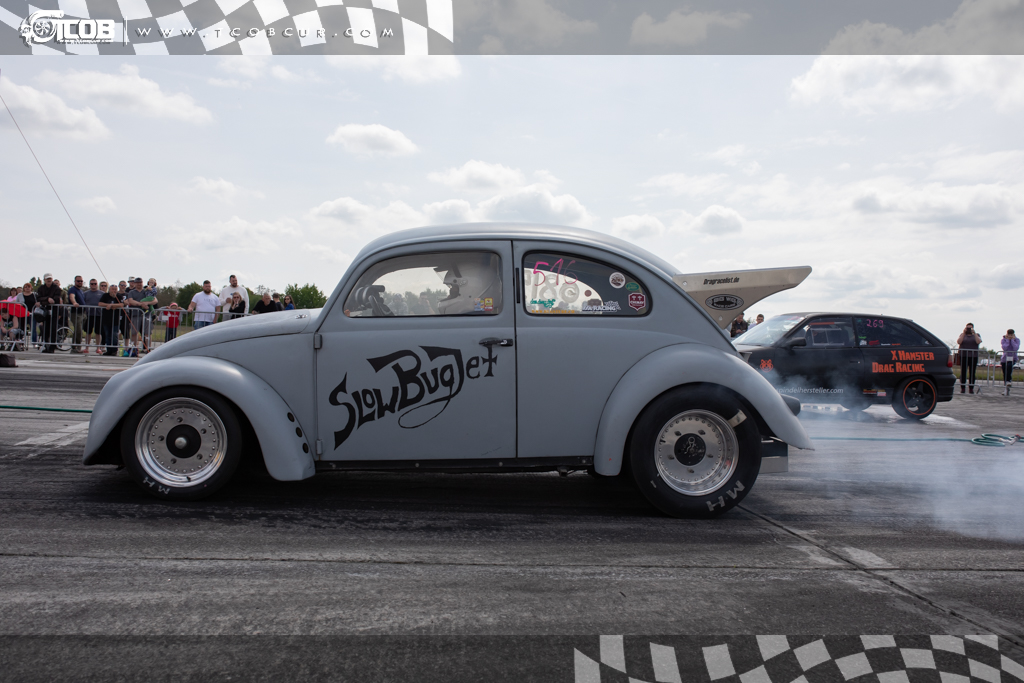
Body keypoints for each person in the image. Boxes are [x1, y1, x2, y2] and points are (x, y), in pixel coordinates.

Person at [36, 273, 62, 353]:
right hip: (44, 311)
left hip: (54, 311)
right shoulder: (41, 288)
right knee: (45, 329)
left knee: (53, 329)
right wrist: (47, 299)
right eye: (47, 279)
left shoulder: (56, 288)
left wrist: (45, 300)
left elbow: (56, 299)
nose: (49, 280)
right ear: (44, 280)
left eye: (50, 278)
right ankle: (46, 346)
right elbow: (38, 298)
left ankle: (52, 347)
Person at [98, 284, 126, 356]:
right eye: (112, 289)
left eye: (115, 290)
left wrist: (111, 305)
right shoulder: (105, 295)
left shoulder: (119, 296)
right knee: (107, 335)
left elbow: (122, 304)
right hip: (106, 319)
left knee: (114, 335)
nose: (114, 291)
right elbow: (100, 303)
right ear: (109, 290)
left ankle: (114, 350)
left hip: (116, 319)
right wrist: (107, 305)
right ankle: (109, 350)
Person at [123, 277, 148, 356]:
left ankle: (147, 348)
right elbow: (131, 301)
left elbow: (154, 300)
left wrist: (147, 304)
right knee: (134, 332)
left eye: (140, 282)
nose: (139, 284)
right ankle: (134, 349)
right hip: (135, 314)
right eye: (137, 283)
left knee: (146, 333)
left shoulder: (146, 291)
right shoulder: (131, 292)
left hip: (146, 315)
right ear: (135, 284)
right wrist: (141, 304)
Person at [957, 322, 982, 394]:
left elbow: (978, 341)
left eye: (970, 328)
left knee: (972, 372)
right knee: (963, 372)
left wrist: (974, 333)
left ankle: (971, 388)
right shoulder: (962, 335)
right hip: (964, 355)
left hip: (973, 356)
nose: (969, 329)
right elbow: (959, 342)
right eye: (968, 328)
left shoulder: (977, 335)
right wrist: (964, 333)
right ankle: (962, 387)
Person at [82, 278, 105, 354]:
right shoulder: (86, 293)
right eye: (92, 284)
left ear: (97, 284)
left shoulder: (102, 293)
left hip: (99, 315)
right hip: (89, 315)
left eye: (95, 284)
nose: (93, 285)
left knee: (98, 332)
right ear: (89, 285)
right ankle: (87, 348)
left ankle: (98, 348)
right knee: (88, 332)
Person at [67, 275, 86, 353]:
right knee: (78, 330)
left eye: (81, 281)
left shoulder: (81, 291)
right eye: (78, 281)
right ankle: (76, 347)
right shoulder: (72, 289)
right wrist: (74, 303)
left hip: (82, 313)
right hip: (75, 313)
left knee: (79, 330)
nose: (80, 282)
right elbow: (72, 297)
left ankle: (75, 346)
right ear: (75, 281)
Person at [1001, 329, 1019, 396]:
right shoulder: (1003, 340)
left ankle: (1009, 381)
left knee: (1009, 367)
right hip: (1004, 358)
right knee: (1005, 373)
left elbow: (1015, 348)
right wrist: (1008, 340)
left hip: (1012, 358)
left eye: (1011, 335)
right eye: (1009, 335)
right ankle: (1006, 388)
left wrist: (1012, 340)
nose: (1010, 336)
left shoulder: (1017, 340)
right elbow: (1004, 348)